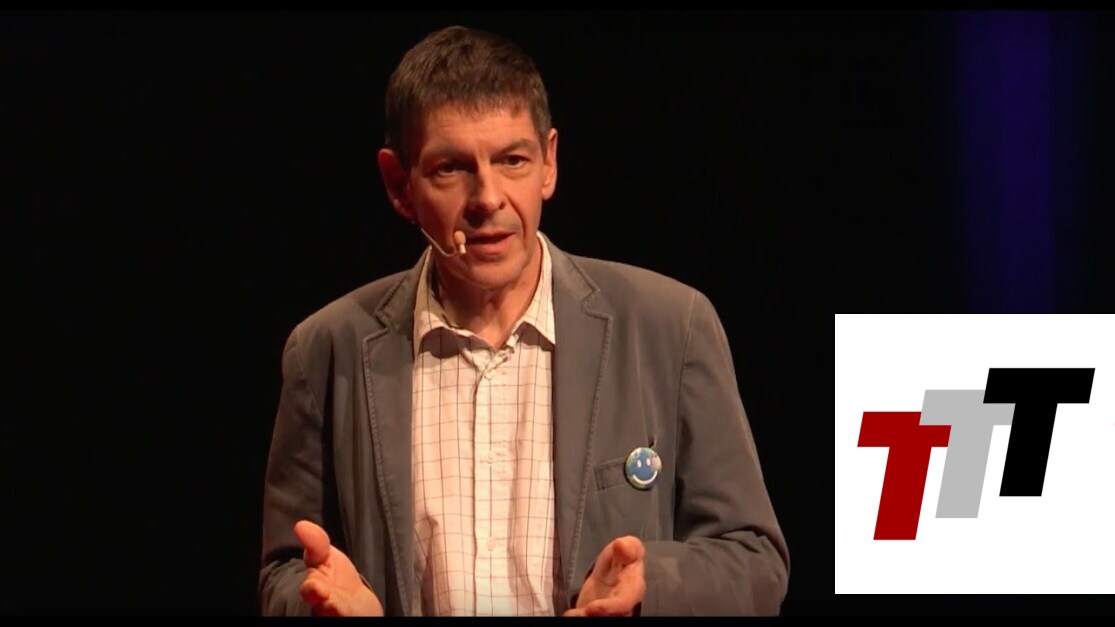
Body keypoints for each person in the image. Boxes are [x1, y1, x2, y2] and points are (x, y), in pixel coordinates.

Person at [258, 24, 789, 617]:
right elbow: (285, 571)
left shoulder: (671, 326)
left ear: (548, 163)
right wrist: (321, 605)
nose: (488, 198)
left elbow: (753, 559)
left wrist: (652, 585)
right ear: (398, 185)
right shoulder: (326, 349)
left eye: (512, 160)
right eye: (450, 168)